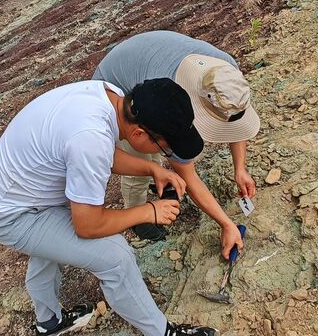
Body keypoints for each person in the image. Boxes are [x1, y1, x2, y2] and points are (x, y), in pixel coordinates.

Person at [0, 75, 220, 336]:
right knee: (115, 256)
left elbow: (104, 153)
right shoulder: (89, 138)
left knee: (50, 245)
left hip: (16, 190)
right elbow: (88, 225)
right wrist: (148, 212)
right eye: (165, 148)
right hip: (12, 214)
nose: (164, 154)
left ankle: (49, 324)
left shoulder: (110, 96)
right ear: (140, 133)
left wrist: (151, 170)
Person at [93, 30, 261, 259]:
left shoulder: (226, 74)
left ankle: (158, 178)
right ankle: (139, 217)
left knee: (158, 156)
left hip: (143, 56)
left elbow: (234, 121)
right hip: (117, 85)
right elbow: (188, 175)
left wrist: (239, 168)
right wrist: (226, 224)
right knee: (141, 160)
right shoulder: (171, 103)